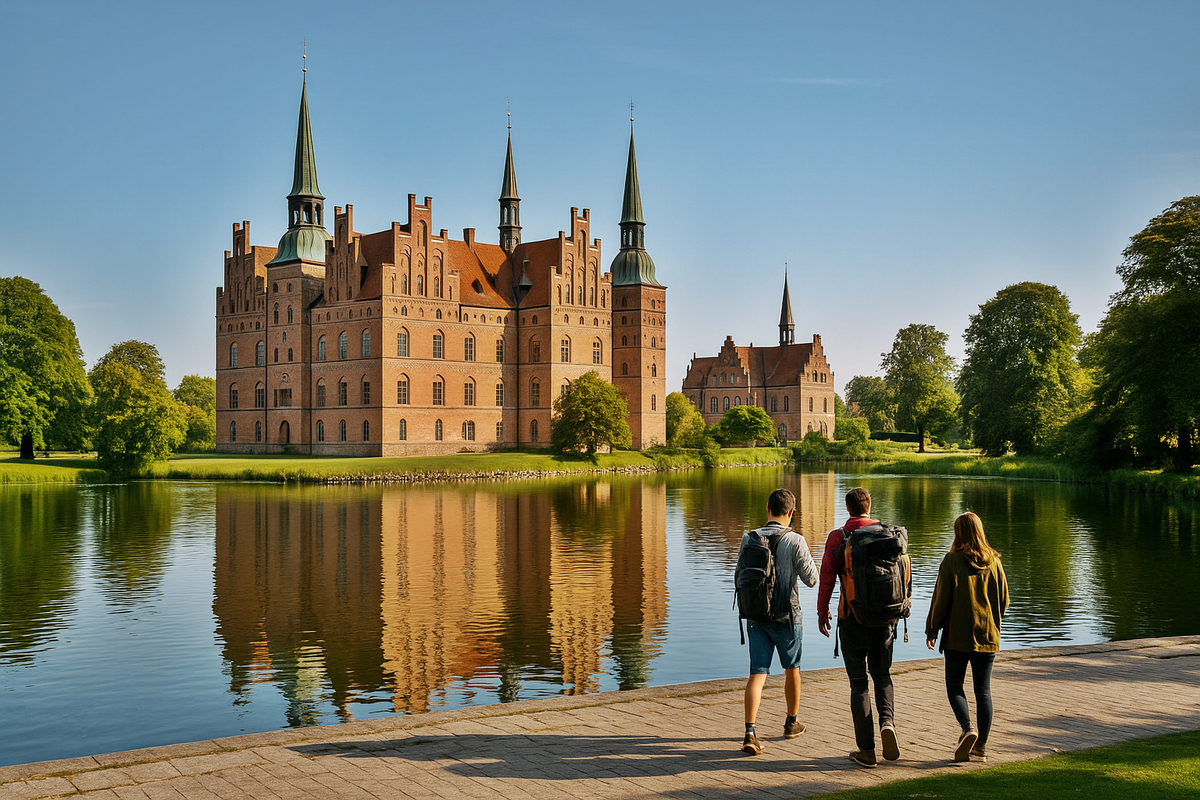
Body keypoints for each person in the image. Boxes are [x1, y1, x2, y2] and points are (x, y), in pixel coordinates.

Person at [818, 487, 910, 768]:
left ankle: (867, 752)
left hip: (852, 618)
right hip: (886, 618)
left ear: (848, 509)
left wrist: (823, 612)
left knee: (859, 684)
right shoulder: (889, 535)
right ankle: (888, 722)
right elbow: (905, 573)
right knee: (882, 675)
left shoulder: (839, 537)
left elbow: (826, 578)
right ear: (869, 506)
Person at [736, 488, 819, 755]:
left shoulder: (748, 538)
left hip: (756, 615)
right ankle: (791, 723)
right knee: (792, 669)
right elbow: (812, 579)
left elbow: (739, 575)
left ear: (768, 508)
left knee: (756, 675)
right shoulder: (795, 540)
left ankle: (750, 731)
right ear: (792, 513)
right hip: (787, 617)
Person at [925, 511, 1009, 762]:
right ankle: (981, 746)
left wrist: (932, 628)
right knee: (983, 691)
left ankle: (967, 728)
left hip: (957, 636)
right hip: (987, 634)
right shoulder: (994, 561)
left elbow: (941, 600)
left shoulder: (951, 561)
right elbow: (1004, 599)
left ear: (958, 533)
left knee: (954, 687)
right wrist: (993, 619)